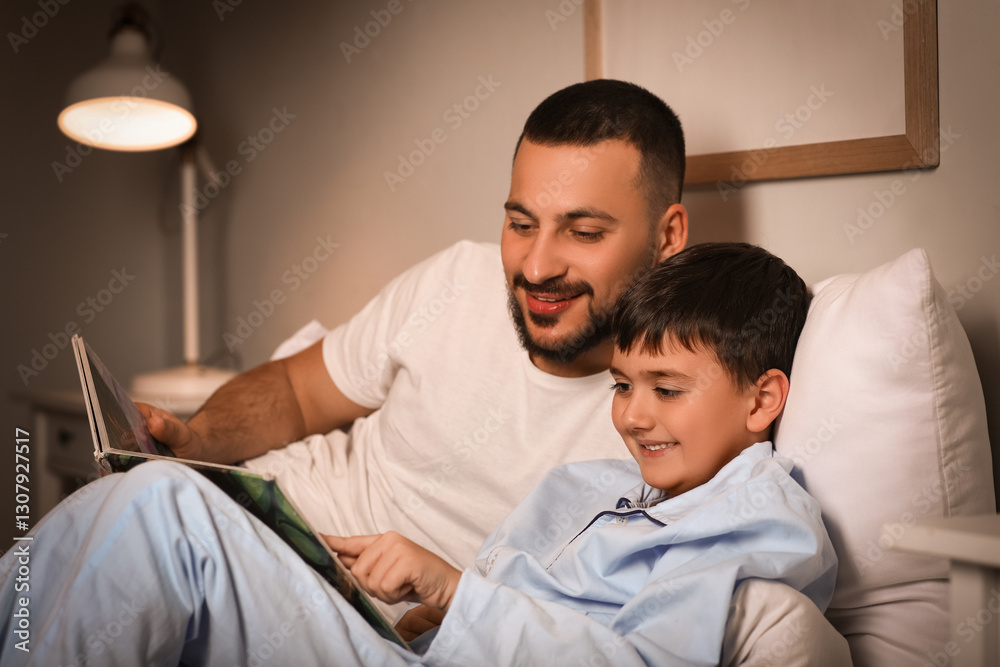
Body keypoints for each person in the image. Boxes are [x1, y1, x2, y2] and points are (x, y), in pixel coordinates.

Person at [0, 243, 835, 666]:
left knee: (166, 510)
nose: (634, 415)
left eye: (667, 388)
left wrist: (456, 590)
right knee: (158, 504)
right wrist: (441, 605)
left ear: (764, 397)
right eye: (622, 385)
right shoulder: (598, 485)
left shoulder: (752, 518)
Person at [136, 78, 690, 578]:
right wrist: (200, 441)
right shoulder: (454, 278)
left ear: (667, 236)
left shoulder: (680, 410)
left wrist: (463, 611)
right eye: (521, 224)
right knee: (118, 515)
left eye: (585, 232)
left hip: (351, 619)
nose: (537, 267)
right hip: (253, 519)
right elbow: (296, 392)